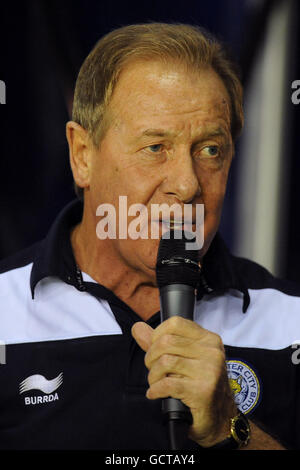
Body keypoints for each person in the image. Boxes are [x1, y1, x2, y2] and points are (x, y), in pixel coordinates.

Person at [0, 22, 299, 451]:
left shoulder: (290, 325)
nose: (188, 183)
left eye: (210, 149)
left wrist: (228, 427)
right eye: (156, 147)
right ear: (82, 156)